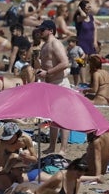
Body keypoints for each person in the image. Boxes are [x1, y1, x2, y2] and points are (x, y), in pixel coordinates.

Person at [36, 20, 70, 155]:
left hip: (59, 83)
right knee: (52, 117)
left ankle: (63, 148)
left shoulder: (55, 43)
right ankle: (52, 146)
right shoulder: (45, 45)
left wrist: (48, 73)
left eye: (42, 30)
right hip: (49, 84)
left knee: (63, 117)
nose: (40, 32)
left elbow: (65, 63)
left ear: (50, 30)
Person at [73, 0, 98, 83]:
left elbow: (95, 29)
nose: (89, 8)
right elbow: (83, 15)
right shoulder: (79, 17)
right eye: (88, 7)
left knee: (93, 62)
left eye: (89, 7)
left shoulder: (91, 17)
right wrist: (79, 9)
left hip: (90, 42)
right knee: (82, 63)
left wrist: (95, 41)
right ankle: (83, 81)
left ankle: (92, 80)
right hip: (81, 42)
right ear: (82, 8)